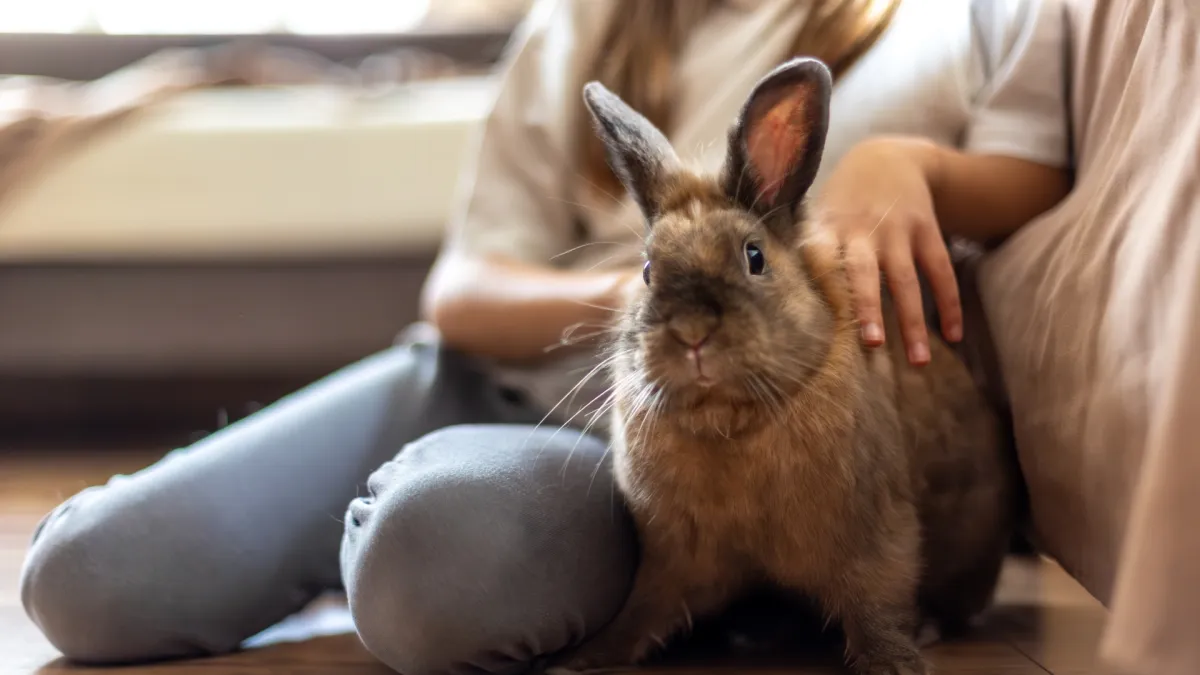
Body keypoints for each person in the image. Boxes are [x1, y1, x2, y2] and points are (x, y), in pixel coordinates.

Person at [19, 0, 1071, 673]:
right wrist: (654, 294)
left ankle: (402, 529)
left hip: (611, 461)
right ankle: (331, 522)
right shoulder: (582, 25)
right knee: (85, 580)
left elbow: (1041, 172)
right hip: (504, 382)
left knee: (432, 572)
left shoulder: (941, 21)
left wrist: (912, 164)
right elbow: (461, 288)